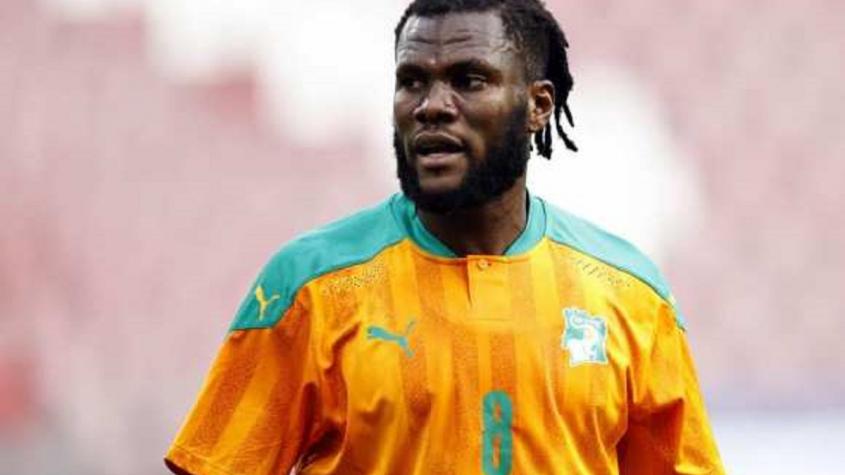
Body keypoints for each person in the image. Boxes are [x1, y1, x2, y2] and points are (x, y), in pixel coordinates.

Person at [164, 0, 725, 473]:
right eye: (412, 81)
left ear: (537, 106)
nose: (431, 106)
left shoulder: (631, 297)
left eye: (468, 80)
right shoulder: (310, 286)